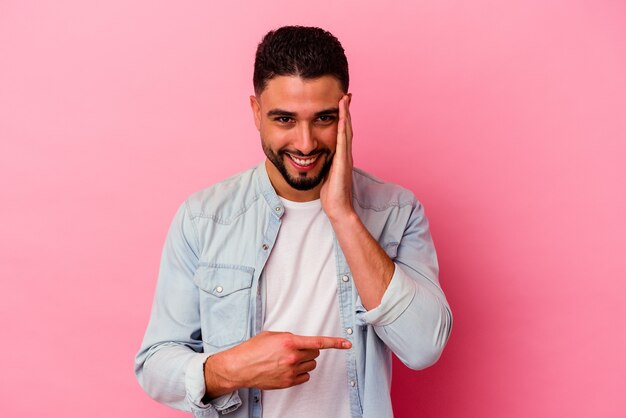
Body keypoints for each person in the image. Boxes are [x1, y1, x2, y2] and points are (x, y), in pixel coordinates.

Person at [135, 25, 452, 418]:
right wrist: (231, 369)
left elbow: (424, 346)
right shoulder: (204, 218)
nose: (305, 143)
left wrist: (343, 214)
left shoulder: (395, 211)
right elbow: (154, 363)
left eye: (323, 118)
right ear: (255, 112)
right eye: (284, 119)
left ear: (346, 110)